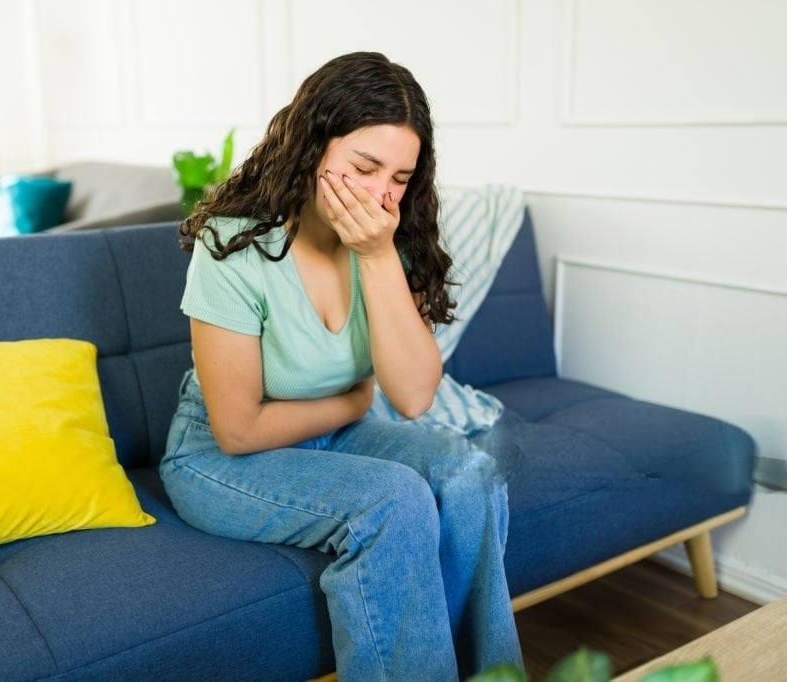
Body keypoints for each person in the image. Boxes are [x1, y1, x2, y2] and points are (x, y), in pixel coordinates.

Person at [161, 51, 522, 680]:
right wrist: (356, 401)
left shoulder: (387, 241)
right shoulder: (236, 247)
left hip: (330, 438)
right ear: (312, 148)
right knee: (393, 499)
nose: (382, 194)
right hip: (219, 459)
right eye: (364, 167)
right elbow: (238, 429)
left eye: (400, 178)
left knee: (469, 473)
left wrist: (379, 257)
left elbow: (411, 398)